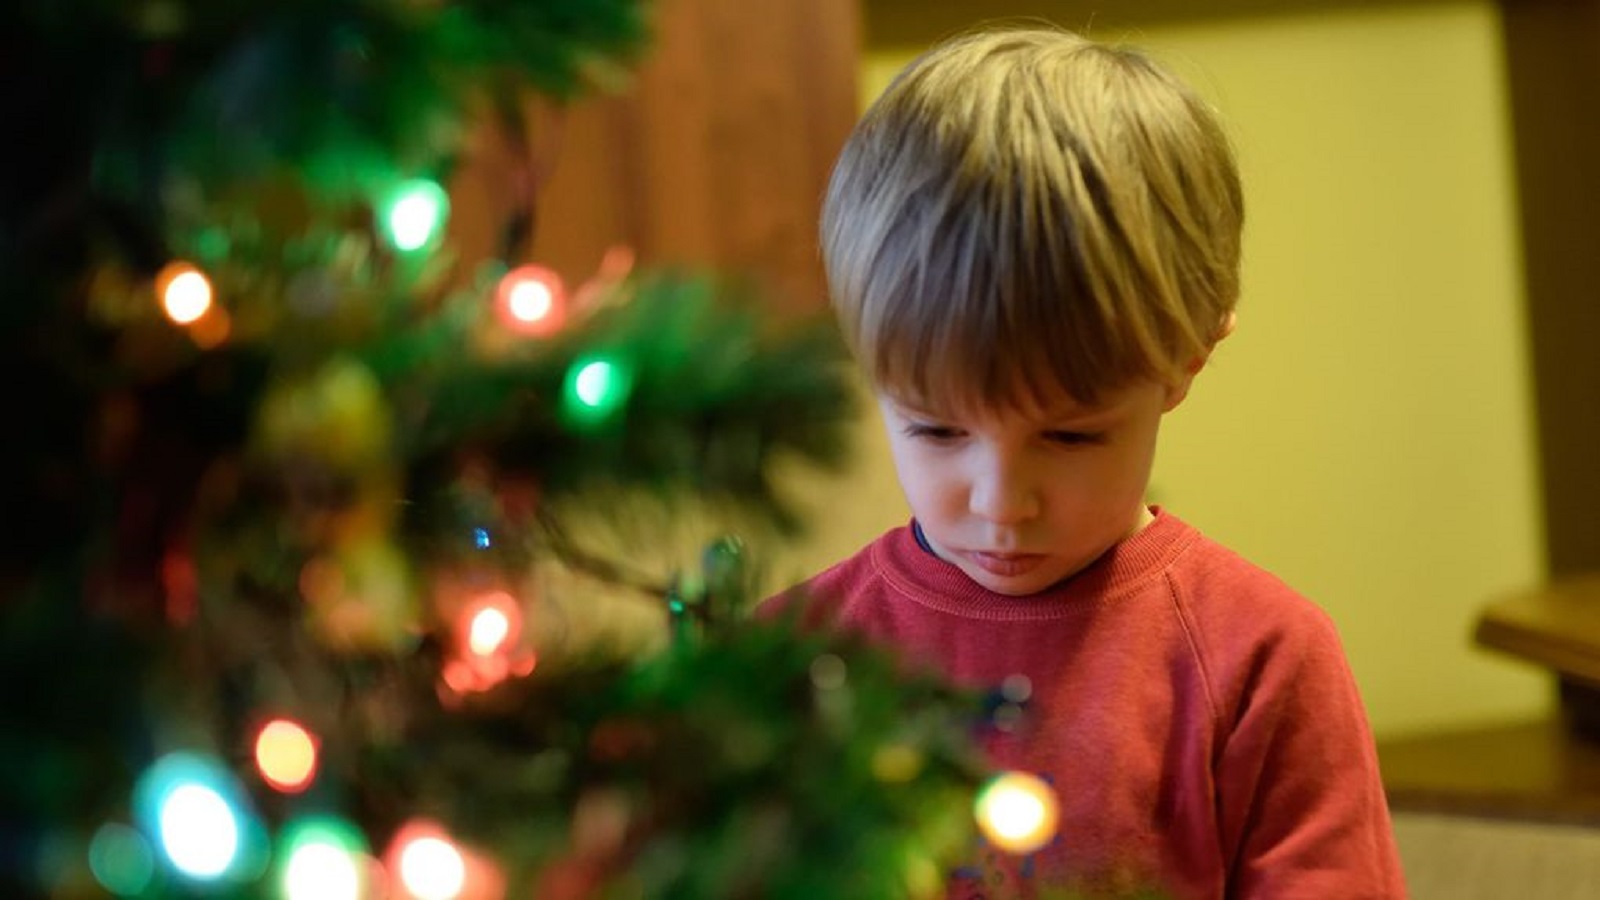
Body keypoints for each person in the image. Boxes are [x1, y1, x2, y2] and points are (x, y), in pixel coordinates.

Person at [763, 26, 1406, 899]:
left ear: (1186, 361)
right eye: (937, 431)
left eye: (1069, 437)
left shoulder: (1261, 659)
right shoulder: (784, 662)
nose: (1001, 502)